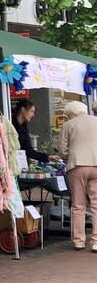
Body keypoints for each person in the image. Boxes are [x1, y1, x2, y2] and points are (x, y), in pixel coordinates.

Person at [59, 101, 97, 251]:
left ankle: (79, 241)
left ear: (71, 113)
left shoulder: (68, 125)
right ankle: (96, 241)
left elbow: (62, 150)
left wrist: (68, 156)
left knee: (78, 205)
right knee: (96, 204)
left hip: (77, 165)